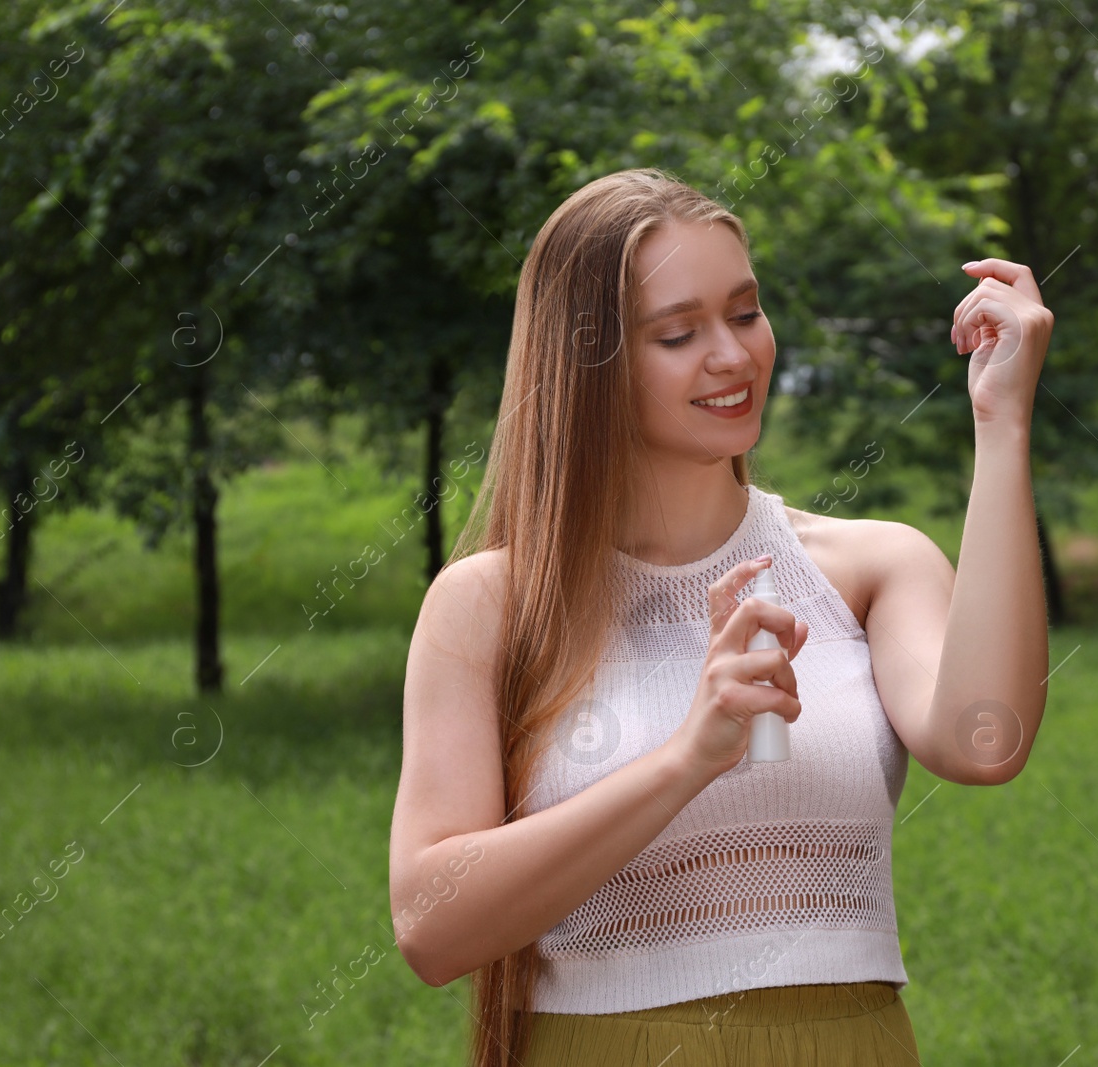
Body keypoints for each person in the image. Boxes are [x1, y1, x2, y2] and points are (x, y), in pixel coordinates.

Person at [388, 166, 1053, 1065]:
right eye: (678, 333)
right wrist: (687, 757)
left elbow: (986, 742)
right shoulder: (490, 604)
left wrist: (1003, 421)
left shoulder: (869, 566)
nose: (734, 356)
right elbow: (431, 926)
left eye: (745, 313)